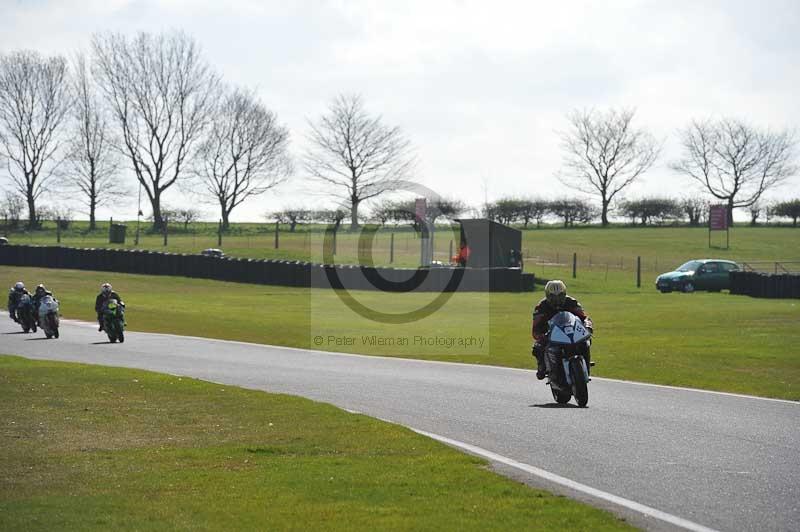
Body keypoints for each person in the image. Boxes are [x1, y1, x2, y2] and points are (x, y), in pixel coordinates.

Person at [531, 279, 593, 380]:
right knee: (537, 347)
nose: (557, 300)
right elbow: (536, 327)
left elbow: (584, 317)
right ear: (547, 296)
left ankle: (586, 365)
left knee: (586, 341)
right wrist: (541, 336)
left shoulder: (571, 302)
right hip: (550, 334)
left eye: (560, 296)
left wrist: (588, 326)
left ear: (564, 294)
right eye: (553, 297)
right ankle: (542, 367)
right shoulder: (541, 307)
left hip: (570, 331)